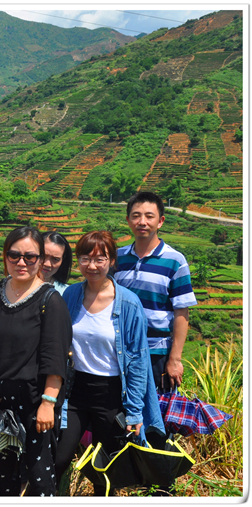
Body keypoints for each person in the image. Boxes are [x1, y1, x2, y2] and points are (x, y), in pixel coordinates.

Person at [55, 231, 165, 496]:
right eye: (85, 258)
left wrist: (135, 412)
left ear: (112, 261)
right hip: (75, 392)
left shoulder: (128, 303)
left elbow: (138, 360)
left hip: (112, 395)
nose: (91, 266)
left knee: (105, 474)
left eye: (99, 259)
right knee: (57, 460)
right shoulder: (70, 295)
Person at [0, 226, 71, 497]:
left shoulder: (50, 301)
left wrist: (48, 404)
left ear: (41, 259)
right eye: (14, 255)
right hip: (0, 404)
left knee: (40, 479)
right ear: (5, 257)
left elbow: (55, 359)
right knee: (4, 478)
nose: (21, 262)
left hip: (34, 405)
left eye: (30, 256)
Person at [113, 192, 196, 494]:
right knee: (121, 417)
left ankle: (163, 488)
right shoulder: (117, 257)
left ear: (160, 220)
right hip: (120, 355)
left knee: (157, 421)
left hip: (157, 355)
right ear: (128, 220)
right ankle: (129, 484)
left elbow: (181, 312)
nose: (142, 222)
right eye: (136, 215)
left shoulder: (175, 260)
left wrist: (175, 357)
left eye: (149, 216)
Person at [41, 231, 73, 295]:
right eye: (43, 256)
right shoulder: (16, 286)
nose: (47, 264)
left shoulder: (66, 293)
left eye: (55, 259)